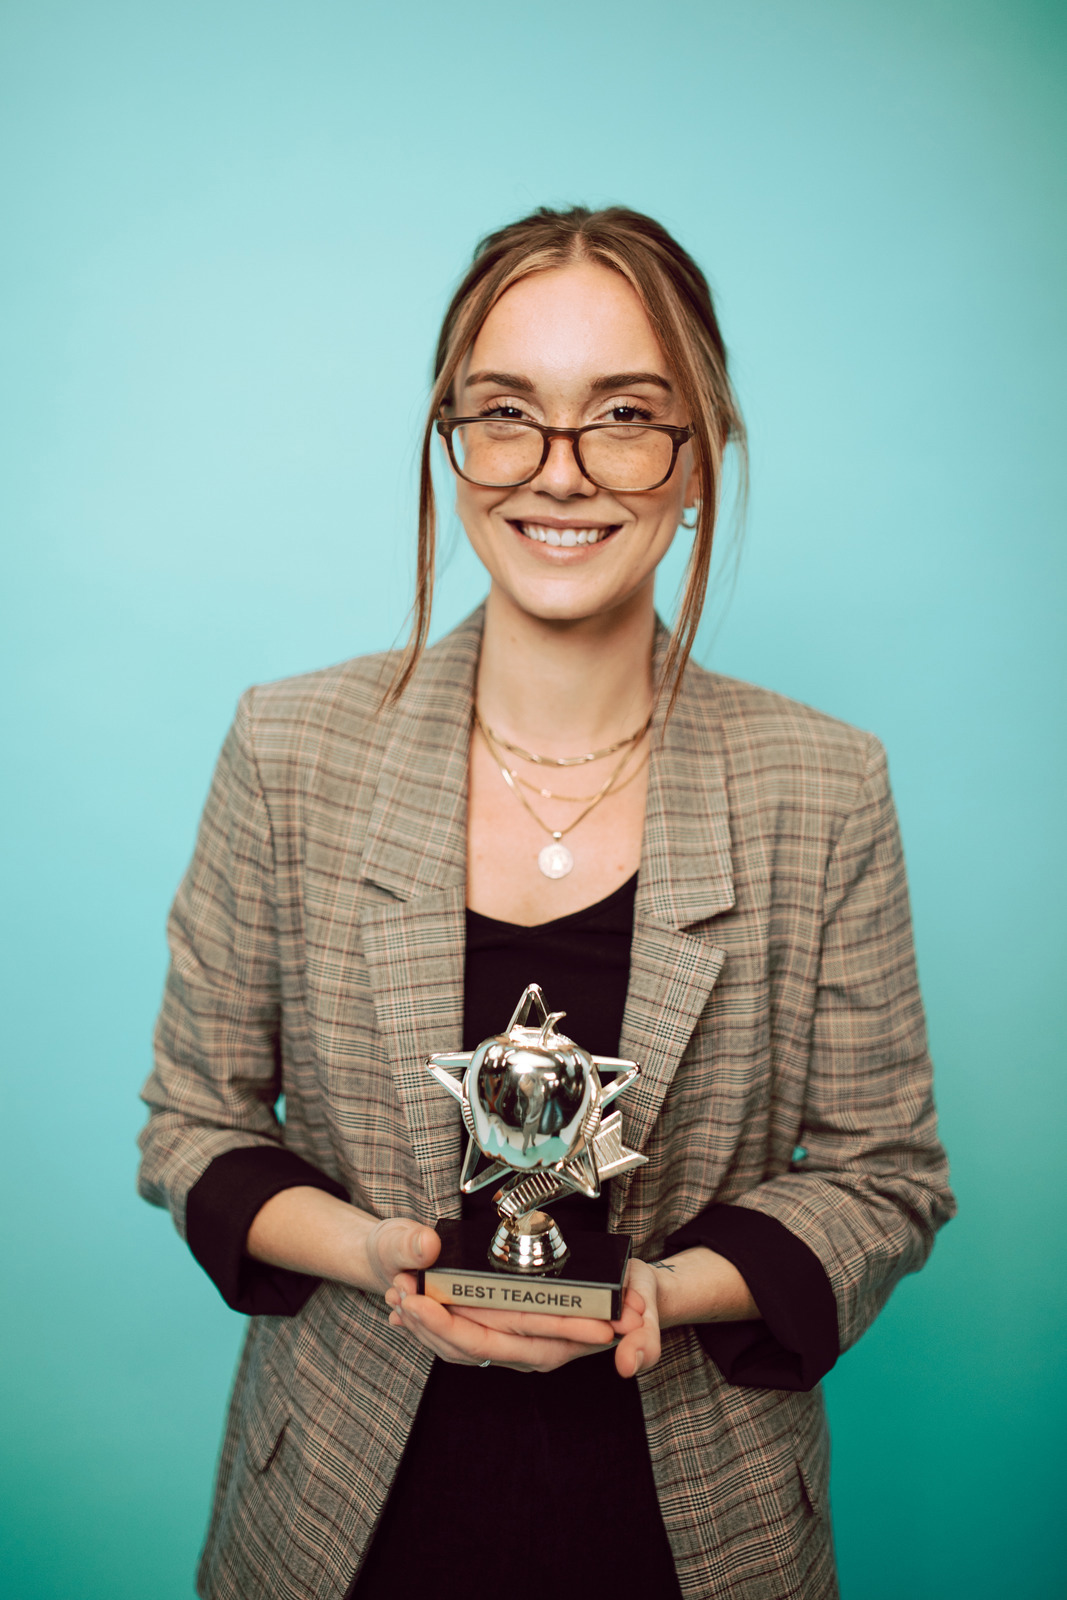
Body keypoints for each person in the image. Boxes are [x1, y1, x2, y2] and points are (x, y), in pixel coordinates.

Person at [138, 205, 955, 1600]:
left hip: (701, 1535)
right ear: (453, 443)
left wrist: (666, 1293)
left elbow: (890, 1178)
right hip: (336, 1521)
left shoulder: (828, 783)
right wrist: (376, 1255)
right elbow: (193, 1127)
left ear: (699, 455)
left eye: (625, 415)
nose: (557, 474)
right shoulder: (290, 750)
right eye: (505, 412)